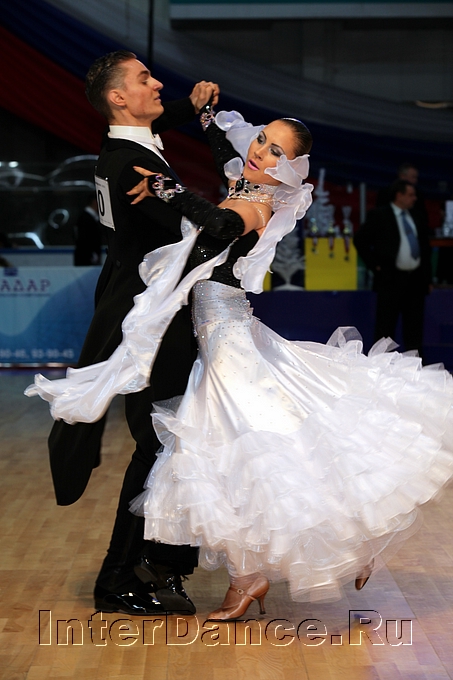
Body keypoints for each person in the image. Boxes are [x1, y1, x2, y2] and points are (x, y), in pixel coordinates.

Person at [27, 108, 453, 621]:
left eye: (275, 151)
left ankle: (264, 570)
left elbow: (224, 222)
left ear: (288, 169)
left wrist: (165, 188)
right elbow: (227, 160)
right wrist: (208, 120)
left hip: (226, 343)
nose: (259, 151)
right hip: (215, 336)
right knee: (242, 456)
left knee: (249, 454)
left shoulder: (261, 203)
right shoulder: (247, 183)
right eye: (261, 140)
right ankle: (253, 573)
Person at [41, 50, 242, 617]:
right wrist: (204, 194)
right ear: (118, 98)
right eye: (144, 79)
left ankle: (156, 566)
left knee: (167, 440)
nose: (156, 85)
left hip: (144, 312)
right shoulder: (134, 167)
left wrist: (190, 106)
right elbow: (217, 228)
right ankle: (120, 577)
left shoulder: (121, 150)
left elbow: (158, 122)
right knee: (159, 441)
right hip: (153, 323)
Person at [354, 179, 432, 358]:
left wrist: (427, 278)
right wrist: (376, 266)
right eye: (410, 195)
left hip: (415, 280)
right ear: (399, 195)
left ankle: (415, 365)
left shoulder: (417, 216)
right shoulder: (380, 215)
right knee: (386, 327)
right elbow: (360, 240)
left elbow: (425, 248)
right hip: (391, 279)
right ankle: (382, 364)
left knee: (414, 327)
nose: (414, 199)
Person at [376, 162, 429, 230]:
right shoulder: (385, 193)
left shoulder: (418, 194)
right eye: (413, 177)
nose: (415, 180)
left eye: (416, 177)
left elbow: (423, 218)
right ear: (402, 176)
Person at [73, 194, 103, 266]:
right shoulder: (85, 219)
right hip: (86, 258)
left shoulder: (89, 217)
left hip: (88, 257)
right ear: (95, 202)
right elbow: (83, 239)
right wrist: (92, 254)